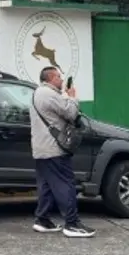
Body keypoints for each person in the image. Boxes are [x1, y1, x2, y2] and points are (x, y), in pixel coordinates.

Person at [30, 66, 94, 238]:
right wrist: (73, 97)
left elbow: (57, 109)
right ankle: (72, 224)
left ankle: (42, 219)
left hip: (42, 149)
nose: (61, 79)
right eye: (59, 76)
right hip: (54, 149)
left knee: (47, 186)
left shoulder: (39, 93)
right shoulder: (48, 94)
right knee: (66, 184)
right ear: (51, 78)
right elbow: (71, 113)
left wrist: (65, 96)